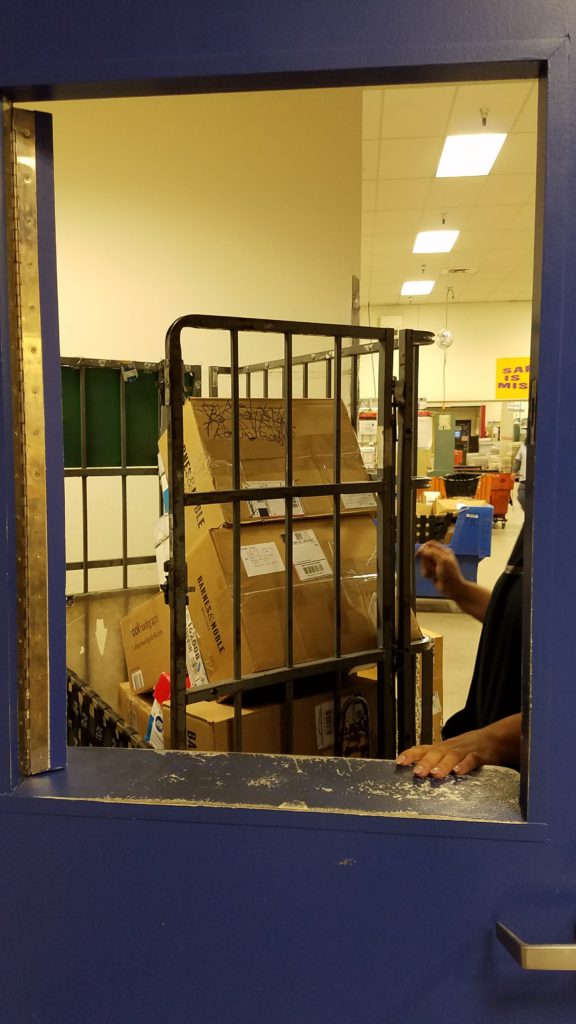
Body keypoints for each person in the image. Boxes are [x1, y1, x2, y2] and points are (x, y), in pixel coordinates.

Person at [396, 527, 524, 778]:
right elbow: (527, 624)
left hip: (538, 778)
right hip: (497, 740)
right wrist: (458, 589)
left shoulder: (559, 513)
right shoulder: (543, 526)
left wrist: (486, 741)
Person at [513, 441, 527, 510]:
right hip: (524, 479)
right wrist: (514, 471)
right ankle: (529, 516)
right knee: (521, 497)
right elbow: (518, 460)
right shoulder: (523, 446)